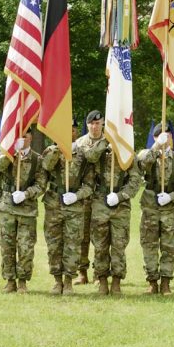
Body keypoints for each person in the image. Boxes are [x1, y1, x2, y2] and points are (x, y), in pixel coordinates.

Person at [137, 123, 174, 295]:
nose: (165, 137)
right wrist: (156, 146)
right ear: (154, 137)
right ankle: (152, 281)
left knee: (169, 247)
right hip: (150, 208)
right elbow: (142, 165)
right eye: (161, 135)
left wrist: (172, 196)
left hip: (169, 208)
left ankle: (166, 282)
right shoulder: (146, 154)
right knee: (149, 245)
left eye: (168, 134)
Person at [83, 136, 141, 296]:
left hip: (120, 205)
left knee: (119, 245)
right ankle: (101, 280)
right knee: (100, 245)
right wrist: (104, 142)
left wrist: (121, 196)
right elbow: (89, 157)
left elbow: (135, 181)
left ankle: (116, 281)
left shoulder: (128, 153)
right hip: (100, 202)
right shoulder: (99, 151)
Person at [0, 128, 47, 294]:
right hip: (7, 207)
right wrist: (11, 152)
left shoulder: (38, 159)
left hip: (27, 209)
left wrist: (26, 194)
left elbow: (41, 185)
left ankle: (22, 281)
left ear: (31, 138)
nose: (22, 139)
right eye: (19, 136)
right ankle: (10, 280)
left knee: (25, 247)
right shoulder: (6, 156)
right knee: (7, 246)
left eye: (26, 136)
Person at [41, 138, 94, 295]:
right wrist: (57, 149)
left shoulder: (83, 155)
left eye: (72, 129)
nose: (67, 132)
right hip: (53, 205)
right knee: (54, 244)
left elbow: (90, 186)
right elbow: (46, 166)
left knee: (73, 245)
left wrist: (77, 196)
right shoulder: (50, 152)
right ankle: (57, 281)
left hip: (75, 207)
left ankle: (69, 281)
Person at [74, 109, 104, 285]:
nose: (94, 126)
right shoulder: (80, 143)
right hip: (84, 195)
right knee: (82, 235)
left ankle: (99, 274)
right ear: (87, 125)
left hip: (102, 195)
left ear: (102, 125)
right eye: (91, 123)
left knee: (100, 236)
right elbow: (91, 157)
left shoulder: (112, 142)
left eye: (98, 123)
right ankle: (82, 272)